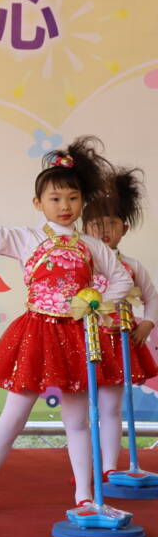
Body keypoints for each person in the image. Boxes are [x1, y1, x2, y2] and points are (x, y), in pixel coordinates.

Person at [0, 137, 133, 514]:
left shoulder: (92, 246)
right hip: (36, 334)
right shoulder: (25, 238)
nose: (64, 206)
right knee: (12, 418)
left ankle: (84, 495)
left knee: (78, 421)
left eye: (72, 198)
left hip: (77, 336)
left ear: (82, 202)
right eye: (55, 198)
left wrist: (97, 302)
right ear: (38, 203)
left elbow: (121, 279)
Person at [82, 166, 158, 474]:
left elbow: (152, 298)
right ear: (83, 228)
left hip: (117, 343)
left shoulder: (132, 266)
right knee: (83, 411)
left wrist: (147, 323)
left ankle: (110, 468)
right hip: (82, 343)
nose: (104, 230)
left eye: (111, 223)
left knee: (111, 408)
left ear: (124, 228)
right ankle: (85, 469)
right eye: (96, 224)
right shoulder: (80, 264)